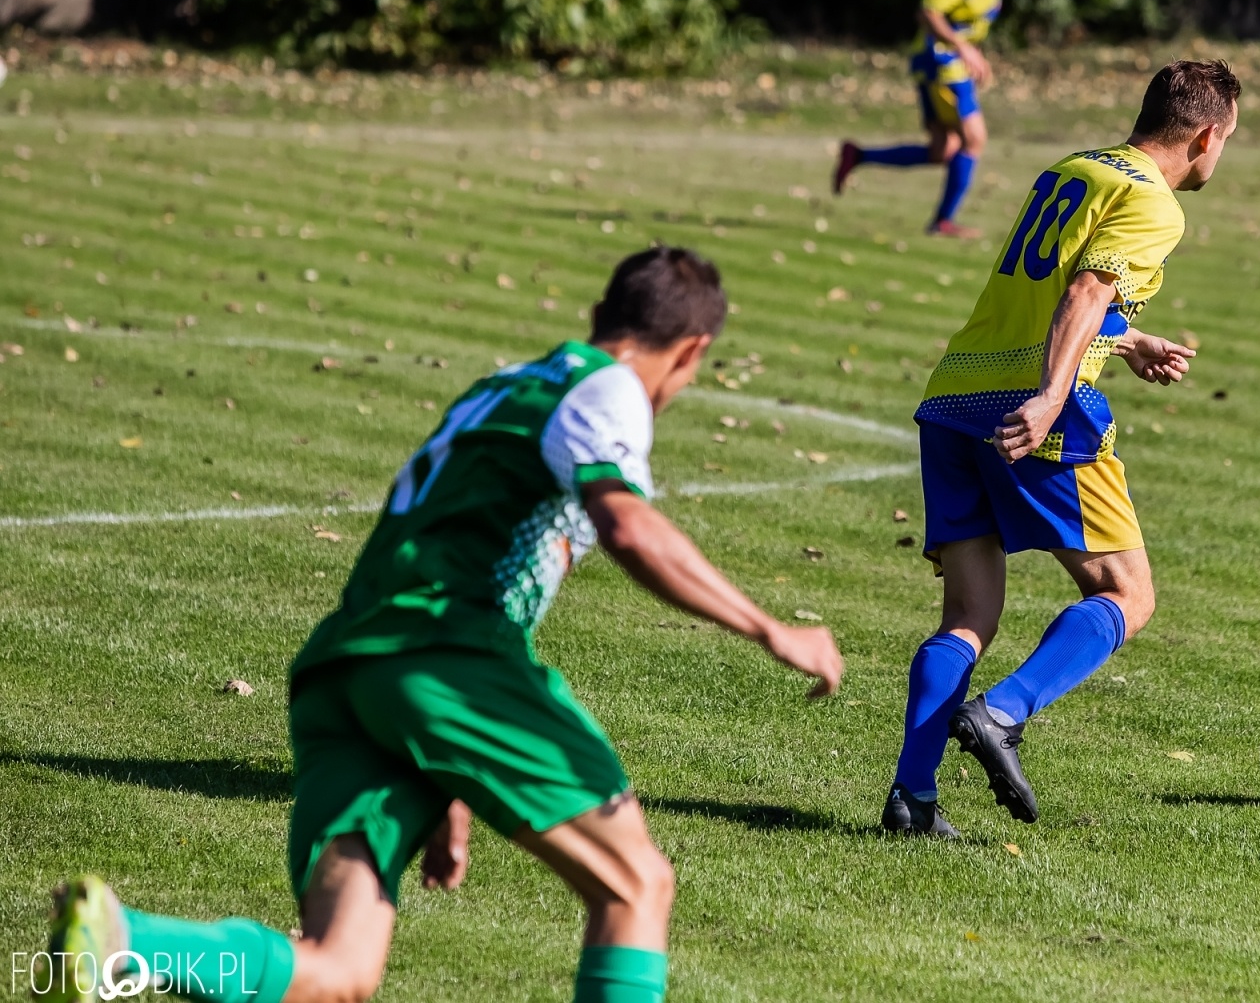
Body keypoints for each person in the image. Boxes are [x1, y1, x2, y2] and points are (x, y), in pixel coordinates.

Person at [39, 246, 844, 1003]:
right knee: (637, 884)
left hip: (351, 669)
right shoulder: (606, 389)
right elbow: (629, 526)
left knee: (341, 968)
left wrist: (448, 783)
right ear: (693, 349)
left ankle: (124, 941)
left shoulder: (503, 389)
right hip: (446, 658)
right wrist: (772, 628)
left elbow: (437, 547)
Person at [881, 61, 1242, 836]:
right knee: (1126, 593)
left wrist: (1130, 335)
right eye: (1227, 144)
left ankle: (913, 799)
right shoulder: (1154, 202)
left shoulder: (1077, 168)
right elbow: (1082, 294)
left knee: (969, 617)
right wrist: (1050, 396)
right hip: (1035, 405)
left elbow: (1055, 291)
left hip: (953, 398)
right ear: (1207, 135)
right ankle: (1003, 716)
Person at [832, 0, 1014, 238]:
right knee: (974, 138)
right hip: (939, 62)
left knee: (943, 150)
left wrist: (974, 51)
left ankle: (858, 156)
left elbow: (971, 23)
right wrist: (963, 48)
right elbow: (928, 12)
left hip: (948, 63)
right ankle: (943, 221)